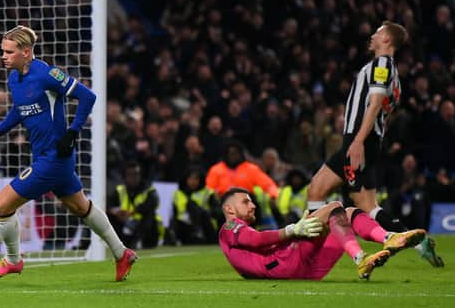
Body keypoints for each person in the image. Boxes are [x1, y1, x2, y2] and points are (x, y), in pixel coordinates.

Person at [0, 25, 137, 281]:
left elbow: (88, 96)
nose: (3, 56)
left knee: (2, 205)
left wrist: (73, 131)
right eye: (2, 51)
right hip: (47, 157)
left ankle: (13, 260)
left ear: (26, 52)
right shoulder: (13, 77)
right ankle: (122, 253)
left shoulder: (47, 74)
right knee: (80, 206)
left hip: (53, 158)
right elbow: (22, 109)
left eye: (8, 52)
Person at [306, 21, 444, 267]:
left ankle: (327, 251)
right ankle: (417, 242)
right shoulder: (393, 74)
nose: (372, 35)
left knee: (361, 205)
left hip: (359, 139)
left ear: (388, 40)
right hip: (366, 140)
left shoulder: (382, 65)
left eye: (378, 33)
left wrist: (358, 141)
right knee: (321, 191)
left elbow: (376, 103)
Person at [220, 188, 426, 280]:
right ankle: (364, 255)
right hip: (281, 264)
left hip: (302, 270)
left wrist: (293, 232)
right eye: (246, 202)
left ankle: (385, 240)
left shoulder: (236, 234)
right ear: (229, 209)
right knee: (335, 207)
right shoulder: (228, 228)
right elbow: (256, 239)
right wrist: (292, 230)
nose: (253, 205)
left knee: (348, 213)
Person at [107, 161, 164, 249]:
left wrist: (132, 212)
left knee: (150, 214)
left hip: (144, 227)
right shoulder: (120, 190)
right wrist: (115, 212)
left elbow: (153, 203)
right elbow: (108, 204)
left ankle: (139, 242)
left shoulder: (148, 189)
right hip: (124, 223)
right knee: (107, 215)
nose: (134, 178)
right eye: (130, 175)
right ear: (125, 177)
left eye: (136, 174)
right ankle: (113, 243)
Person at [169, 167, 219, 245]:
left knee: (193, 206)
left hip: (205, 226)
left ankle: (199, 233)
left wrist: (205, 212)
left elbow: (217, 212)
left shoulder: (208, 193)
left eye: (196, 179)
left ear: (200, 180)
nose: (193, 182)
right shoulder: (178, 193)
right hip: (185, 226)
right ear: (186, 179)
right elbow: (174, 214)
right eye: (190, 179)